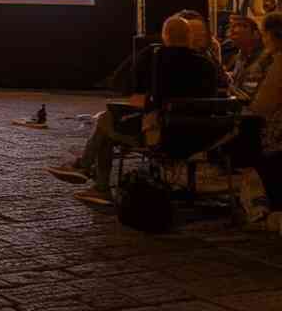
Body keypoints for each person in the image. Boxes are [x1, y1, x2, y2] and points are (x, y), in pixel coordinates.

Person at [46, 14, 220, 204]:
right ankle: (91, 176)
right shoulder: (207, 65)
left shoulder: (155, 60)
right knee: (107, 123)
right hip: (201, 137)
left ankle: (91, 174)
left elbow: (132, 94)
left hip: (161, 136)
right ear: (190, 38)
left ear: (165, 36)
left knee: (105, 120)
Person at [247, 12, 282, 222]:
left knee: (250, 137)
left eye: (263, 34)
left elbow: (263, 104)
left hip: (277, 133)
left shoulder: (279, 62)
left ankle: (274, 201)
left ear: (271, 35)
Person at [228, 16, 273, 101]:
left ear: (256, 34)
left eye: (242, 25)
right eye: (233, 27)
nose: (234, 30)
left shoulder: (265, 58)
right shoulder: (240, 55)